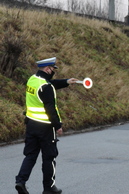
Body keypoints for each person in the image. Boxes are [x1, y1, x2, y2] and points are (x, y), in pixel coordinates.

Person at [15, 57, 79, 194]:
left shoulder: (33, 80)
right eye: (52, 69)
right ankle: (48, 188)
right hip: (46, 128)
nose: (53, 71)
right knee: (49, 158)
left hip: (31, 124)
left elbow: (50, 83)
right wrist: (58, 125)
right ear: (47, 69)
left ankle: (20, 181)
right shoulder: (46, 87)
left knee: (30, 155)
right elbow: (51, 108)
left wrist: (67, 82)